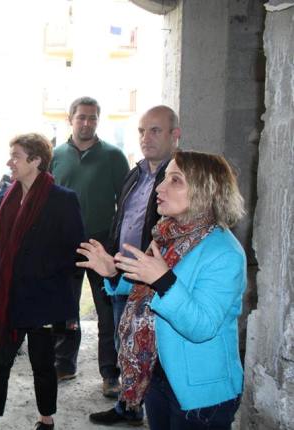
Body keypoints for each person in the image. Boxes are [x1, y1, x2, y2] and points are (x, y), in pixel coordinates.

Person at [77, 150, 246, 430]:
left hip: (199, 391)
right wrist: (113, 273)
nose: (160, 188)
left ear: (206, 190)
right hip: (156, 373)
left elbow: (202, 326)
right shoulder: (168, 233)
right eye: (164, 178)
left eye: (175, 180)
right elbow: (144, 285)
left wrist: (164, 280)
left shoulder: (224, 252)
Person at [0, 133, 85, 430]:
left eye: (16, 156)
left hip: (42, 300)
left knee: (43, 364)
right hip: (7, 299)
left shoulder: (62, 199)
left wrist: (39, 269)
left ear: (36, 160)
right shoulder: (7, 196)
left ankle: (46, 419)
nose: (9, 162)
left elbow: (76, 251)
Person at [89, 105, 181, 426]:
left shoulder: (180, 177)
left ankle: (154, 409)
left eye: (155, 130)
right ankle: (128, 406)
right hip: (124, 275)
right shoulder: (136, 172)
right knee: (125, 343)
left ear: (175, 135)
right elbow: (123, 218)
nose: (146, 138)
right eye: (142, 131)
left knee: (151, 350)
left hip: (155, 280)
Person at [49, 96, 129, 397]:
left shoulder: (113, 156)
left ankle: (110, 373)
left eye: (92, 117)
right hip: (64, 243)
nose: (87, 122)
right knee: (64, 307)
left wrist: (117, 243)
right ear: (70, 119)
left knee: (107, 311)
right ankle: (64, 363)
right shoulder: (56, 155)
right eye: (81, 117)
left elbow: (126, 202)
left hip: (102, 243)